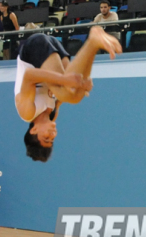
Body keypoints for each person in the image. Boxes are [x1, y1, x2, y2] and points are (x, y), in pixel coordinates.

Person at [16, 27, 121, 162]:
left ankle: (93, 41)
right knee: (75, 95)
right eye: (52, 140)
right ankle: (93, 45)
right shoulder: (53, 115)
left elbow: (29, 76)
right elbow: (72, 91)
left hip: (33, 48)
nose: (52, 135)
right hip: (53, 46)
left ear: (34, 130)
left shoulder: (27, 113)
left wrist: (64, 80)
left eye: (46, 138)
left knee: (67, 91)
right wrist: (83, 86)